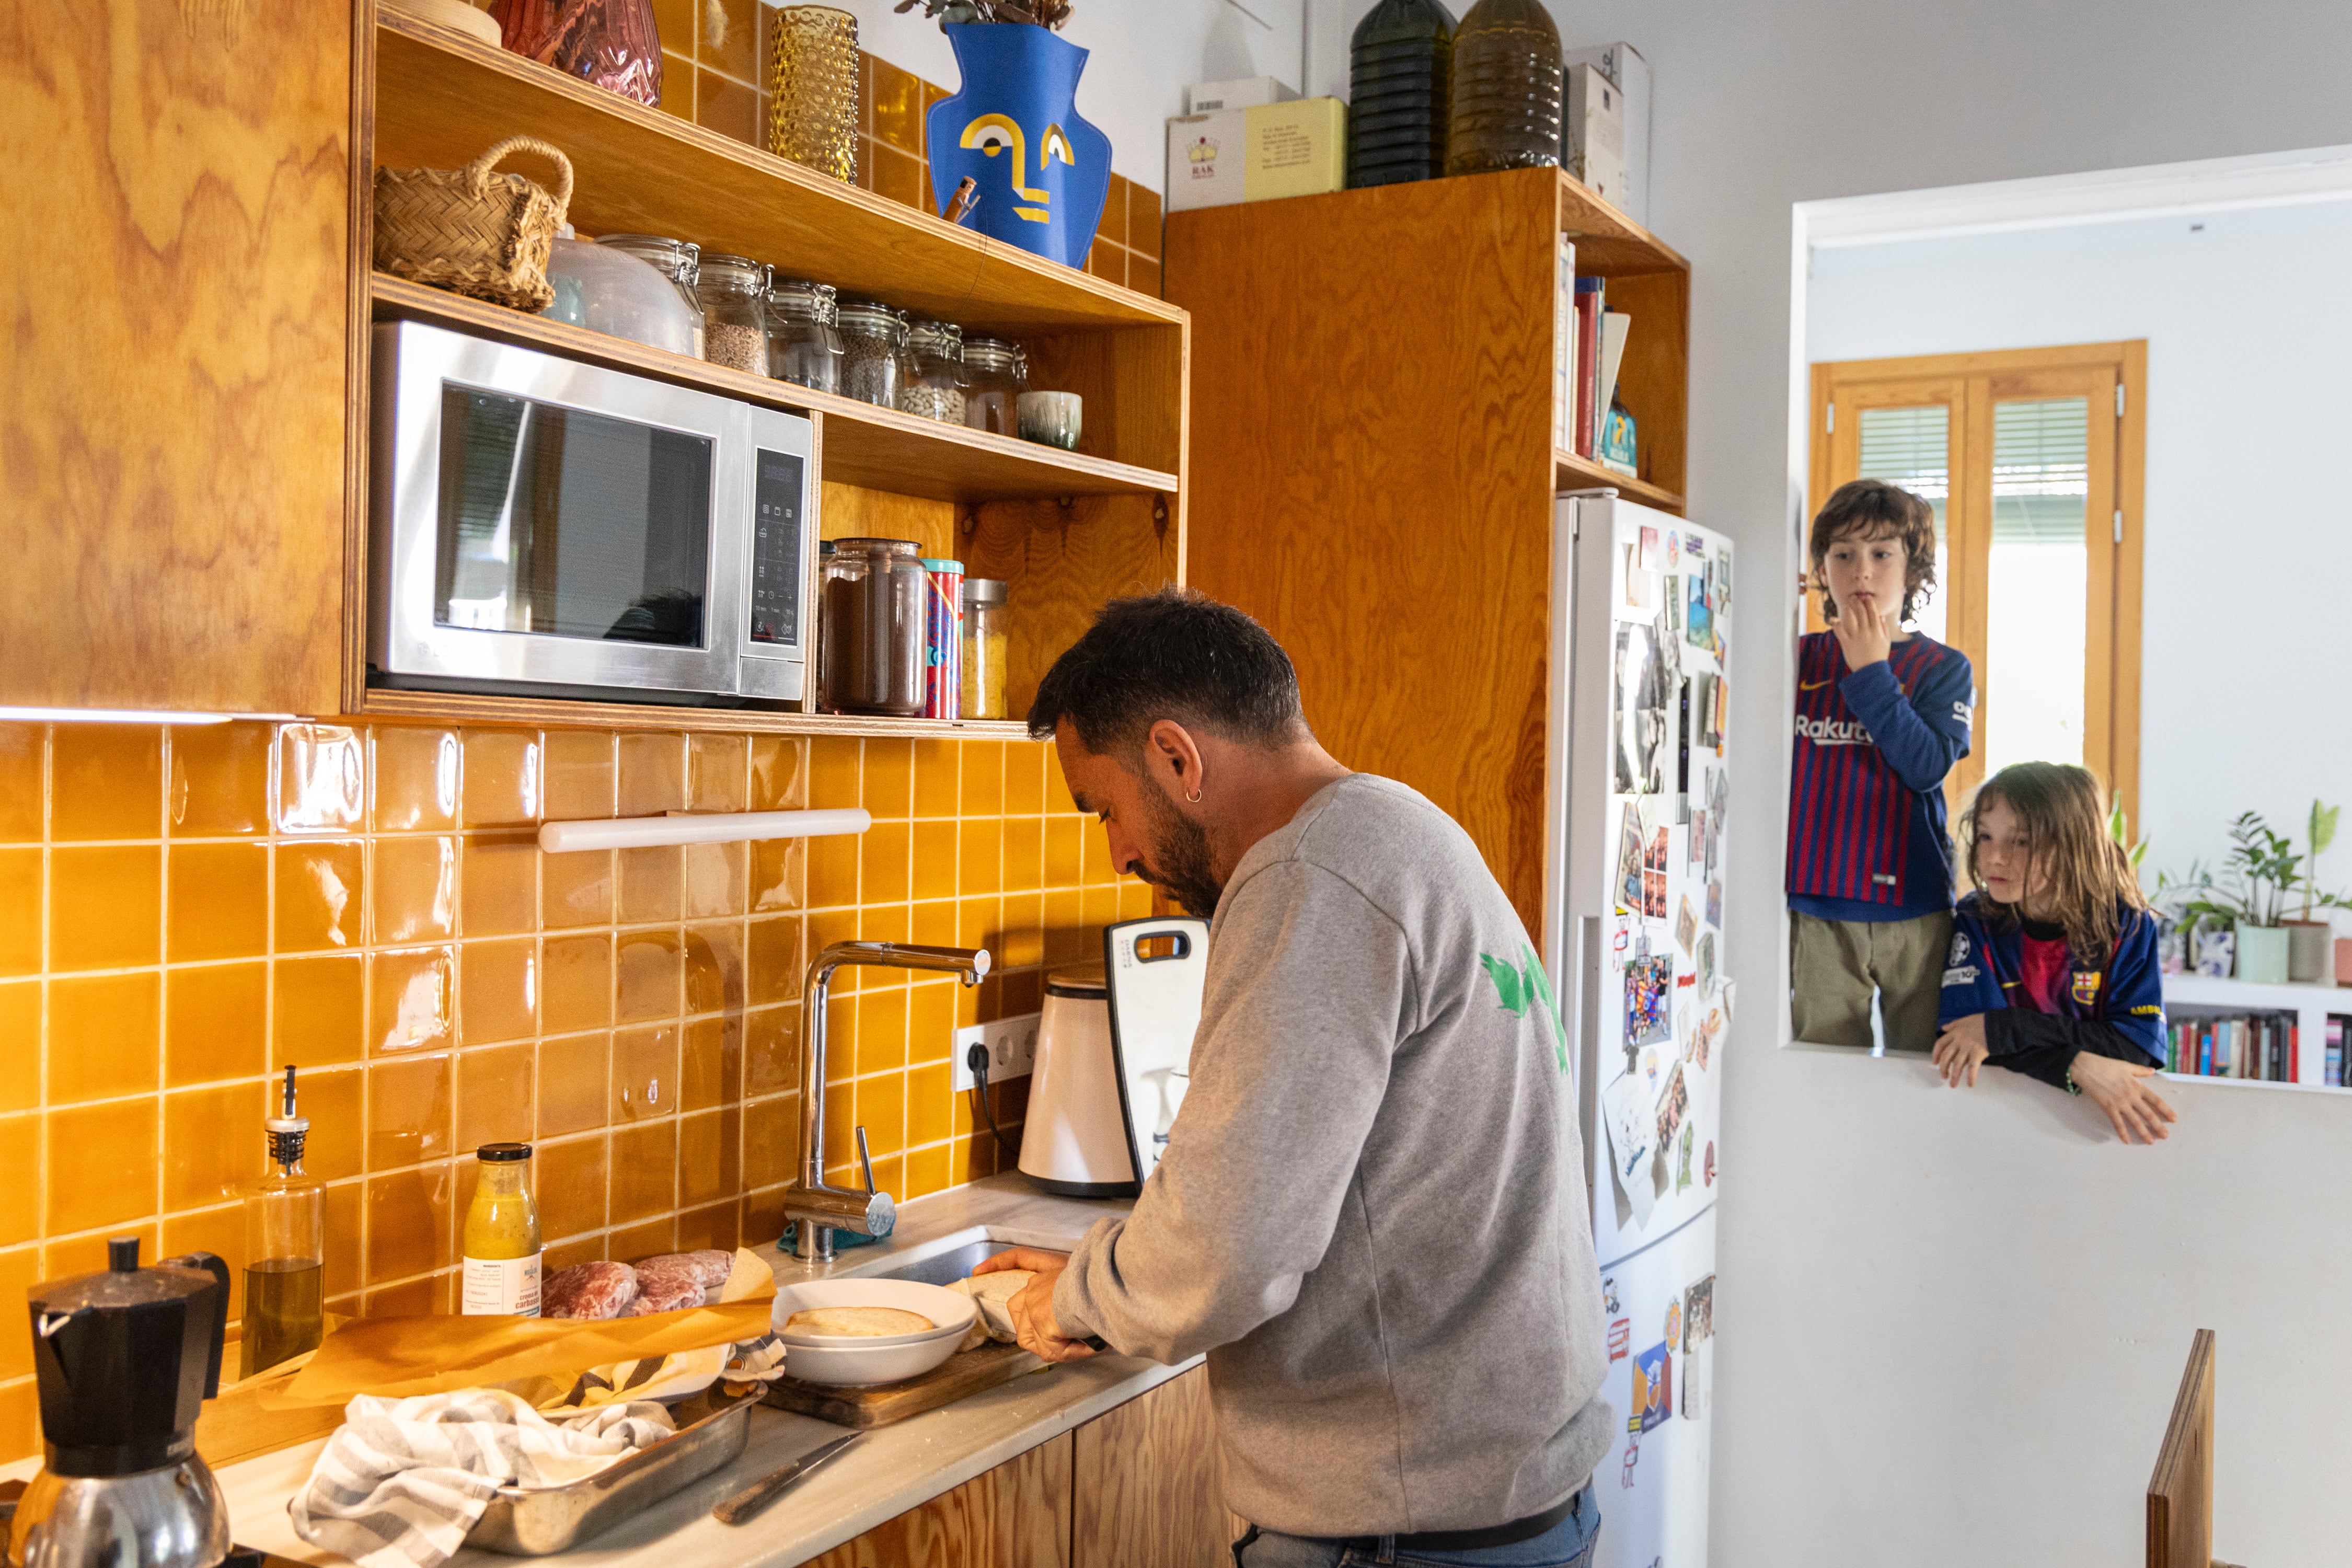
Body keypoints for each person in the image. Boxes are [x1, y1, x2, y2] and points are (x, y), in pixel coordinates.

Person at [974, 589, 1612, 1568]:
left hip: (1406, 1529)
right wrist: (1112, 1280)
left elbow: (1229, 1246)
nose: (1120, 856)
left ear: (1178, 759)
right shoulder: (1401, 830)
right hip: (1508, 1502)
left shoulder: (1307, 880)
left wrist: (1072, 1302)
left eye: (1107, 808)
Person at [1787, 478, 1976, 1051]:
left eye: (1881, 554)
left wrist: (1872, 672)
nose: (1861, 572)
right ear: (1822, 569)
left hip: (1916, 909)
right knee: (1821, 1066)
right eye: (1842, 555)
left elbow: (1924, 766)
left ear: (1914, 571)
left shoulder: (1944, 667)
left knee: (1921, 1070)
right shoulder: (1797, 656)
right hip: (1817, 907)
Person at [1932, 762, 2177, 1144]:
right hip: (1993, 1129)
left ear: (2072, 846)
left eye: (2021, 842)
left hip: (2098, 1136)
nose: (1995, 857)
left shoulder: (2127, 924)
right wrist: (2076, 1064)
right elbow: (1966, 1042)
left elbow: (2135, 1050)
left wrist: (2006, 1029)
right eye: (1985, 836)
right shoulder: (1975, 919)